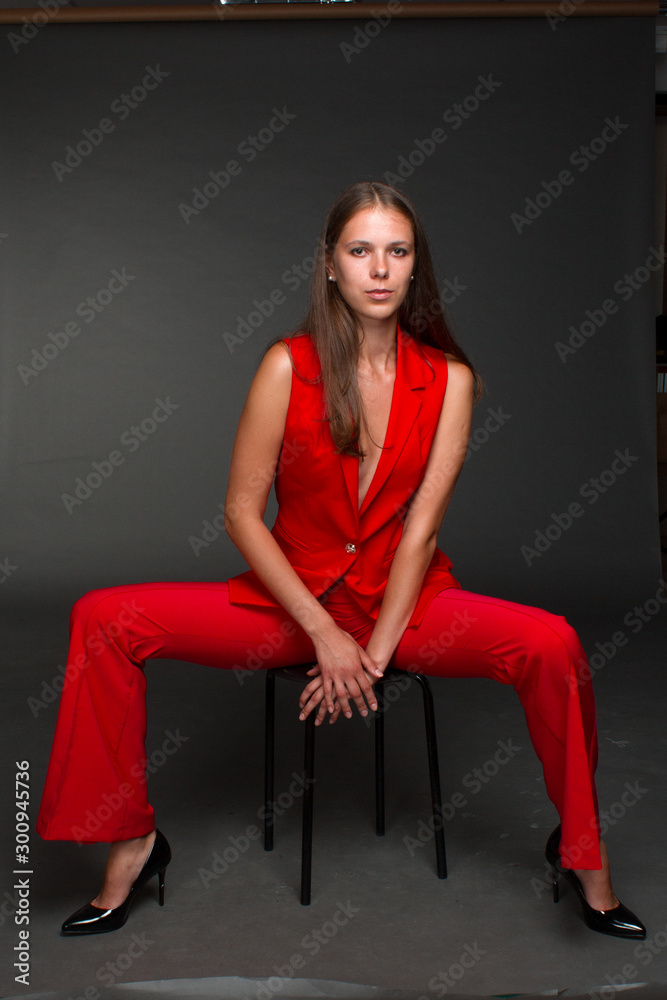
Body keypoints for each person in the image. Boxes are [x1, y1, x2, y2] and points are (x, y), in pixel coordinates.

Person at [37, 181, 645, 940]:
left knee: (552, 639)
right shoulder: (286, 368)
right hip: (288, 606)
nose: (379, 269)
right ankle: (131, 841)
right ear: (329, 265)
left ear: (416, 266)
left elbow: (420, 532)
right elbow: (238, 511)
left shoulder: (449, 381)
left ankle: (583, 855)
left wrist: (374, 654)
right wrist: (325, 636)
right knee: (102, 616)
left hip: (403, 604)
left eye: (397, 251)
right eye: (360, 251)